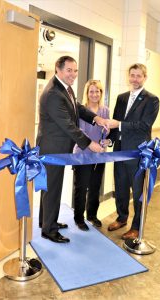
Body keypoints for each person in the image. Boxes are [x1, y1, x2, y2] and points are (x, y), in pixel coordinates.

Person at [36, 55, 110, 243]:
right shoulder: (53, 93)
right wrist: (89, 144)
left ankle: (46, 221)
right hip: (53, 149)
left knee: (50, 187)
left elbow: (76, 108)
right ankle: (49, 230)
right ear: (58, 69)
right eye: (69, 70)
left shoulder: (64, 89)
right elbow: (68, 125)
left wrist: (96, 118)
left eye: (75, 70)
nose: (73, 74)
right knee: (52, 188)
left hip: (58, 148)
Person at [106, 63, 159, 240]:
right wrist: (110, 139)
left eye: (139, 76)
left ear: (145, 78)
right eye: (132, 75)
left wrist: (119, 125)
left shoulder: (151, 100)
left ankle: (136, 226)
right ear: (128, 76)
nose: (135, 79)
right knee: (120, 187)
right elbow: (115, 122)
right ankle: (121, 218)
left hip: (137, 153)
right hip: (119, 150)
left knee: (137, 192)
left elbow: (144, 125)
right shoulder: (121, 98)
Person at [73, 80, 110, 231]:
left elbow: (107, 130)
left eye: (97, 91)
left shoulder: (105, 110)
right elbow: (80, 131)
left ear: (101, 93)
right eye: (91, 91)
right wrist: (92, 144)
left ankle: (92, 215)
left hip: (100, 154)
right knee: (81, 187)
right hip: (83, 153)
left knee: (95, 186)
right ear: (87, 93)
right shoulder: (82, 110)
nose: (94, 94)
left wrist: (107, 140)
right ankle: (79, 218)